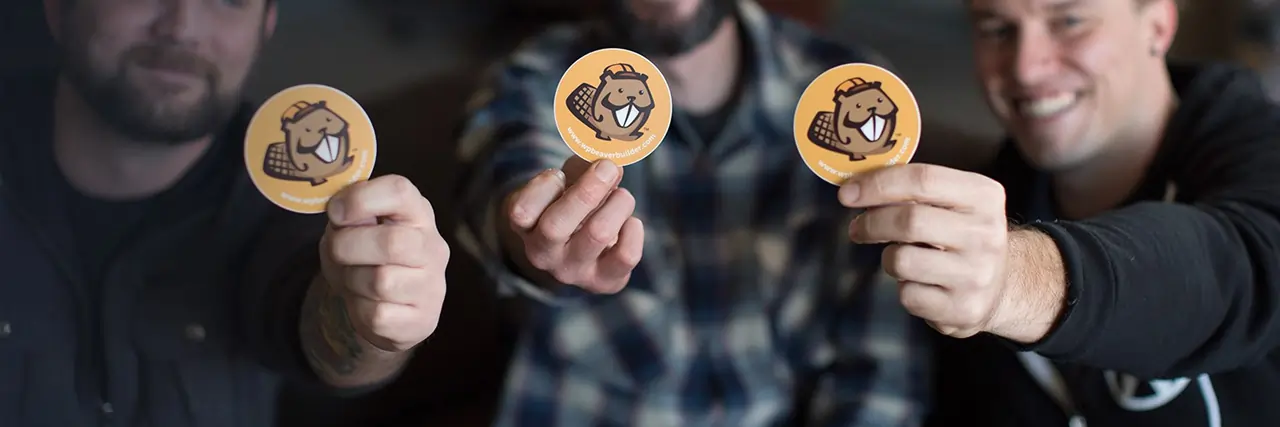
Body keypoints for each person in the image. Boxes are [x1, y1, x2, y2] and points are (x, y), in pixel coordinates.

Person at [455, 0, 930, 425]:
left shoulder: (850, 85)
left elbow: (880, 370)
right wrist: (533, 236)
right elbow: (507, 176)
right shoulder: (538, 76)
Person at [827, 0, 1280, 425]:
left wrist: (1016, 279)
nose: (1026, 67)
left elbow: (1241, 267)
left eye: (1069, 21)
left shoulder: (1260, 155)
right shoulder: (974, 216)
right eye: (997, 29)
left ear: (1158, 25)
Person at [0, 0, 449, 425]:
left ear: (264, 27)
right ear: (57, 8)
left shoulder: (289, 203)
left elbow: (323, 331)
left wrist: (378, 320)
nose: (181, 27)